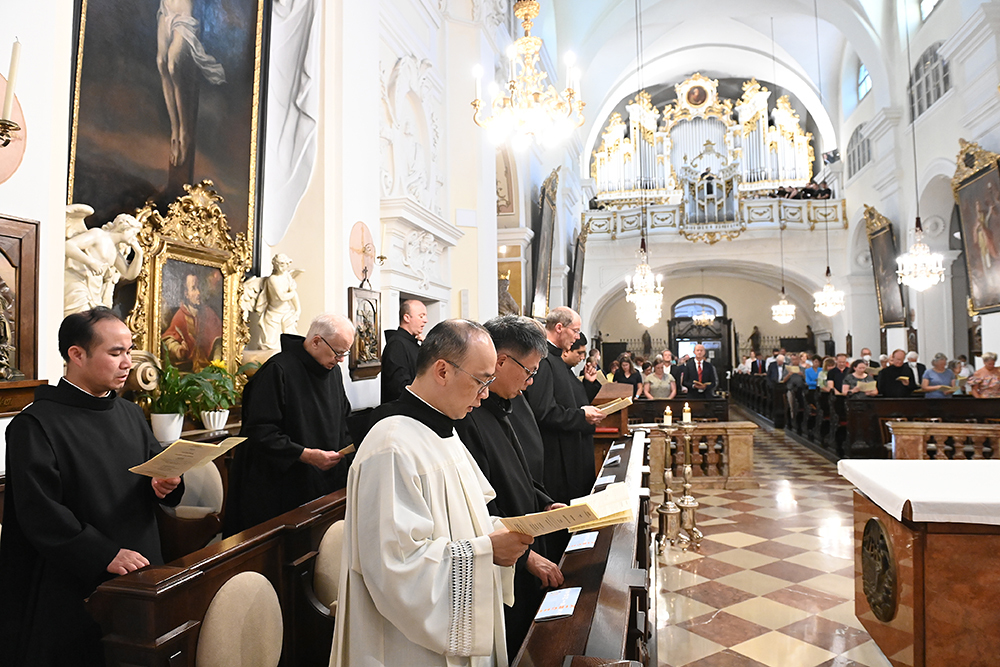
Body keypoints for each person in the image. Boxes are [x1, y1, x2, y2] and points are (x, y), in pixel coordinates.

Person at [330, 320, 534, 667]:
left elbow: (465, 517)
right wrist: (486, 550)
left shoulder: (444, 432)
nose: (485, 394)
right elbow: (395, 568)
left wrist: (498, 529)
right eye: (481, 380)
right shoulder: (391, 446)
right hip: (407, 648)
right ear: (442, 370)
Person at [0, 308, 184, 666]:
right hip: (72, 582)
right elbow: (40, 513)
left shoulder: (130, 413)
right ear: (77, 354)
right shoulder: (33, 425)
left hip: (141, 569)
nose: (128, 362)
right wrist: (104, 554)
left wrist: (166, 484)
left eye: (129, 351)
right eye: (116, 353)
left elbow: (151, 475)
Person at [456, 315, 566, 656]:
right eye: (529, 371)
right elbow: (479, 503)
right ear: (502, 361)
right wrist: (525, 558)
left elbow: (521, 471)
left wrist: (545, 502)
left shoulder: (507, 404)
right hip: (504, 560)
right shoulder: (469, 413)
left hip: (523, 542)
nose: (531, 381)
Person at [223, 314, 355, 536]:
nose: (341, 359)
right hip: (282, 488)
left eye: (345, 353)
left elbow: (344, 419)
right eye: (338, 352)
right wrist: (305, 455)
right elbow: (260, 432)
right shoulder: (277, 370)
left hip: (324, 483)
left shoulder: (333, 373)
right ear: (316, 341)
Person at [523, 307, 605, 506]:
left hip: (571, 449)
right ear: (559, 327)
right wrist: (580, 415)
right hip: (557, 457)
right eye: (575, 331)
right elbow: (542, 411)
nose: (577, 337)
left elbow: (568, 399)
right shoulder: (543, 360)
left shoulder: (557, 360)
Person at [157, 0, 227, 167]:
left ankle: (184, 131)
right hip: (167, 6)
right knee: (161, 62)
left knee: (173, 65)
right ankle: (174, 129)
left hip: (184, 9)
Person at [64, 213, 145, 318]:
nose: (134, 238)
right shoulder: (98, 235)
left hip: (94, 291)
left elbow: (129, 274)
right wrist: (90, 262)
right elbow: (68, 246)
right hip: (78, 282)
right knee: (78, 318)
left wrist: (139, 253)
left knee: (87, 322)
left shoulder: (115, 251)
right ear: (125, 228)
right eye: (134, 233)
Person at [162, 272, 223, 372]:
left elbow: (219, 341)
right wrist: (178, 350)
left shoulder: (208, 313)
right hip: (188, 371)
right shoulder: (180, 316)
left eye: (199, 288)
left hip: (209, 371)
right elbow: (169, 339)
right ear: (186, 294)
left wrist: (216, 363)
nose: (198, 293)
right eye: (194, 288)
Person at [381, 299, 428, 403]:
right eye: (421, 316)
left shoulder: (413, 343)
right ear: (406, 317)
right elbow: (398, 388)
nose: (425, 320)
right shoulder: (397, 344)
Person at [254, 253, 301, 350]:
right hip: (273, 315)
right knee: (269, 345)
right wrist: (292, 291)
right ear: (275, 265)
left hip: (286, 314)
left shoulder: (287, 276)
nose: (281, 267)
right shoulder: (273, 279)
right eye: (279, 264)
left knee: (290, 344)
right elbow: (282, 297)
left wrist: (298, 309)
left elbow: (293, 295)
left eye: (283, 264)